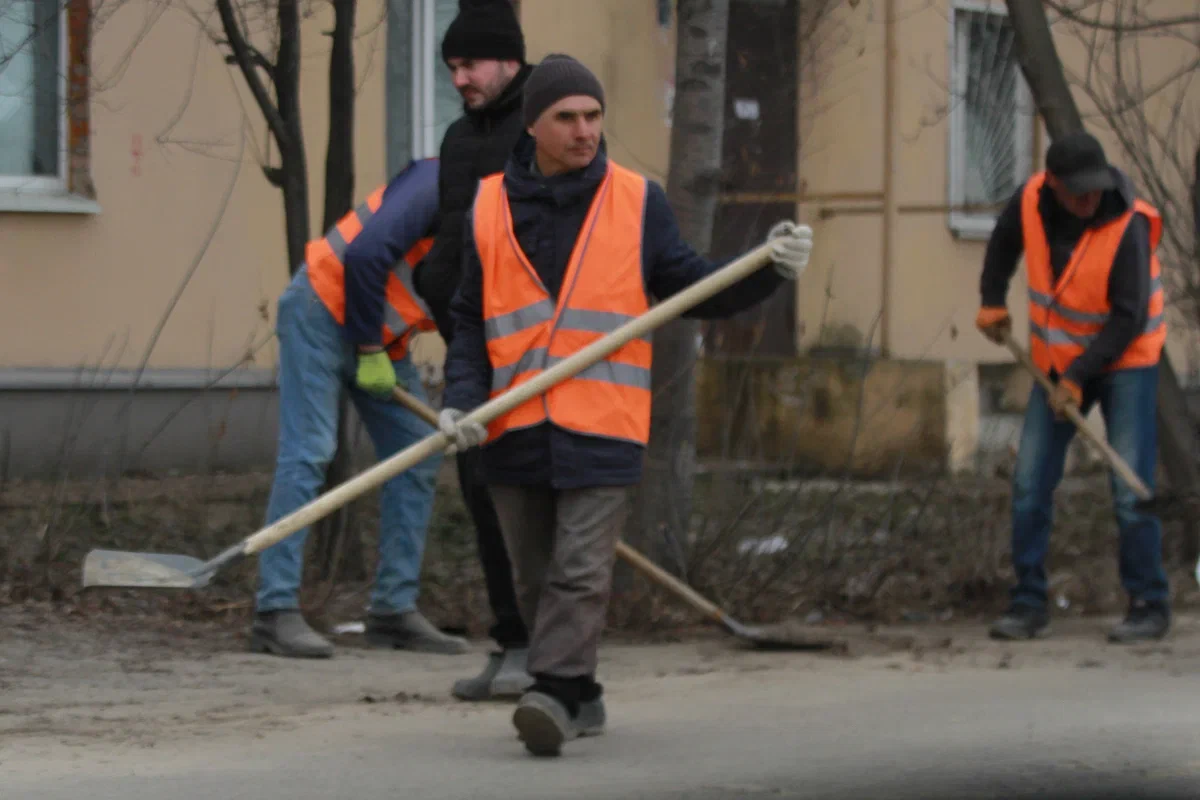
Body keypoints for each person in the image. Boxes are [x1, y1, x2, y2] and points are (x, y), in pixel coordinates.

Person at [437, 54, 815, 756]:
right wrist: (461, 403)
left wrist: (767, 270)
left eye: (593, 116)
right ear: (534, 126)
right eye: (567, 118)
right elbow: (467, 318)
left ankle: (550, 691)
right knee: (534, 576)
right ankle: (581, 696)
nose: (585, 132)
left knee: (580, 570)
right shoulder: (488, 205)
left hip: (602, 423)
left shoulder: (637, 201)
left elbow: (694, 288)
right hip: (512, 425)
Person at [250, 158, 469, 659]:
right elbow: (367, 255)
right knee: (310, 451)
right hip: (321, 309)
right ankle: (274, 610)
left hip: (382, 337)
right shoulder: (437, 180)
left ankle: (394, 610)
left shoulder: (508, 223)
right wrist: (368, 349)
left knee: (419, 448)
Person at [976, 130, 1170, 644]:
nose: (1089, 200)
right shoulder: (1030, 201)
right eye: (1078, 191)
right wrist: (992, 298)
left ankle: (1149, 602)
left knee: (1130, 488)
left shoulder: (1127, 227)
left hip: (1126, 359)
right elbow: (1001, 242)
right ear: (1054, 186)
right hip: (1056, 364)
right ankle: (1028, 602)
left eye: (1095, 189)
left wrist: (1079, 380)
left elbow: (1127, 318)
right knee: (1029, 483)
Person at [411, 0, 538, 700]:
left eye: (471, 64)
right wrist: (442, 303)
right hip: (470, 348)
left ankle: (546, 649)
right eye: (452, 67)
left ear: (509, 59)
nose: (460, 77)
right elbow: (451, 239)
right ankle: (510, 641)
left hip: (534, 351)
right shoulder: (460, 139)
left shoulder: (546, 123)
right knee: (481, 494)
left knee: (528, 500)